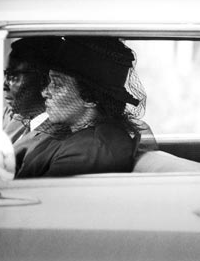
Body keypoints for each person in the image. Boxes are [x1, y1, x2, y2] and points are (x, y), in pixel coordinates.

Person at [16, 37, 145, 178]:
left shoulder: (90, 149)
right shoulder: (71, 133)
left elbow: (45, 196)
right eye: (49, 82)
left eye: (57, 84)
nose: (44, 92)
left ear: (90, 98)